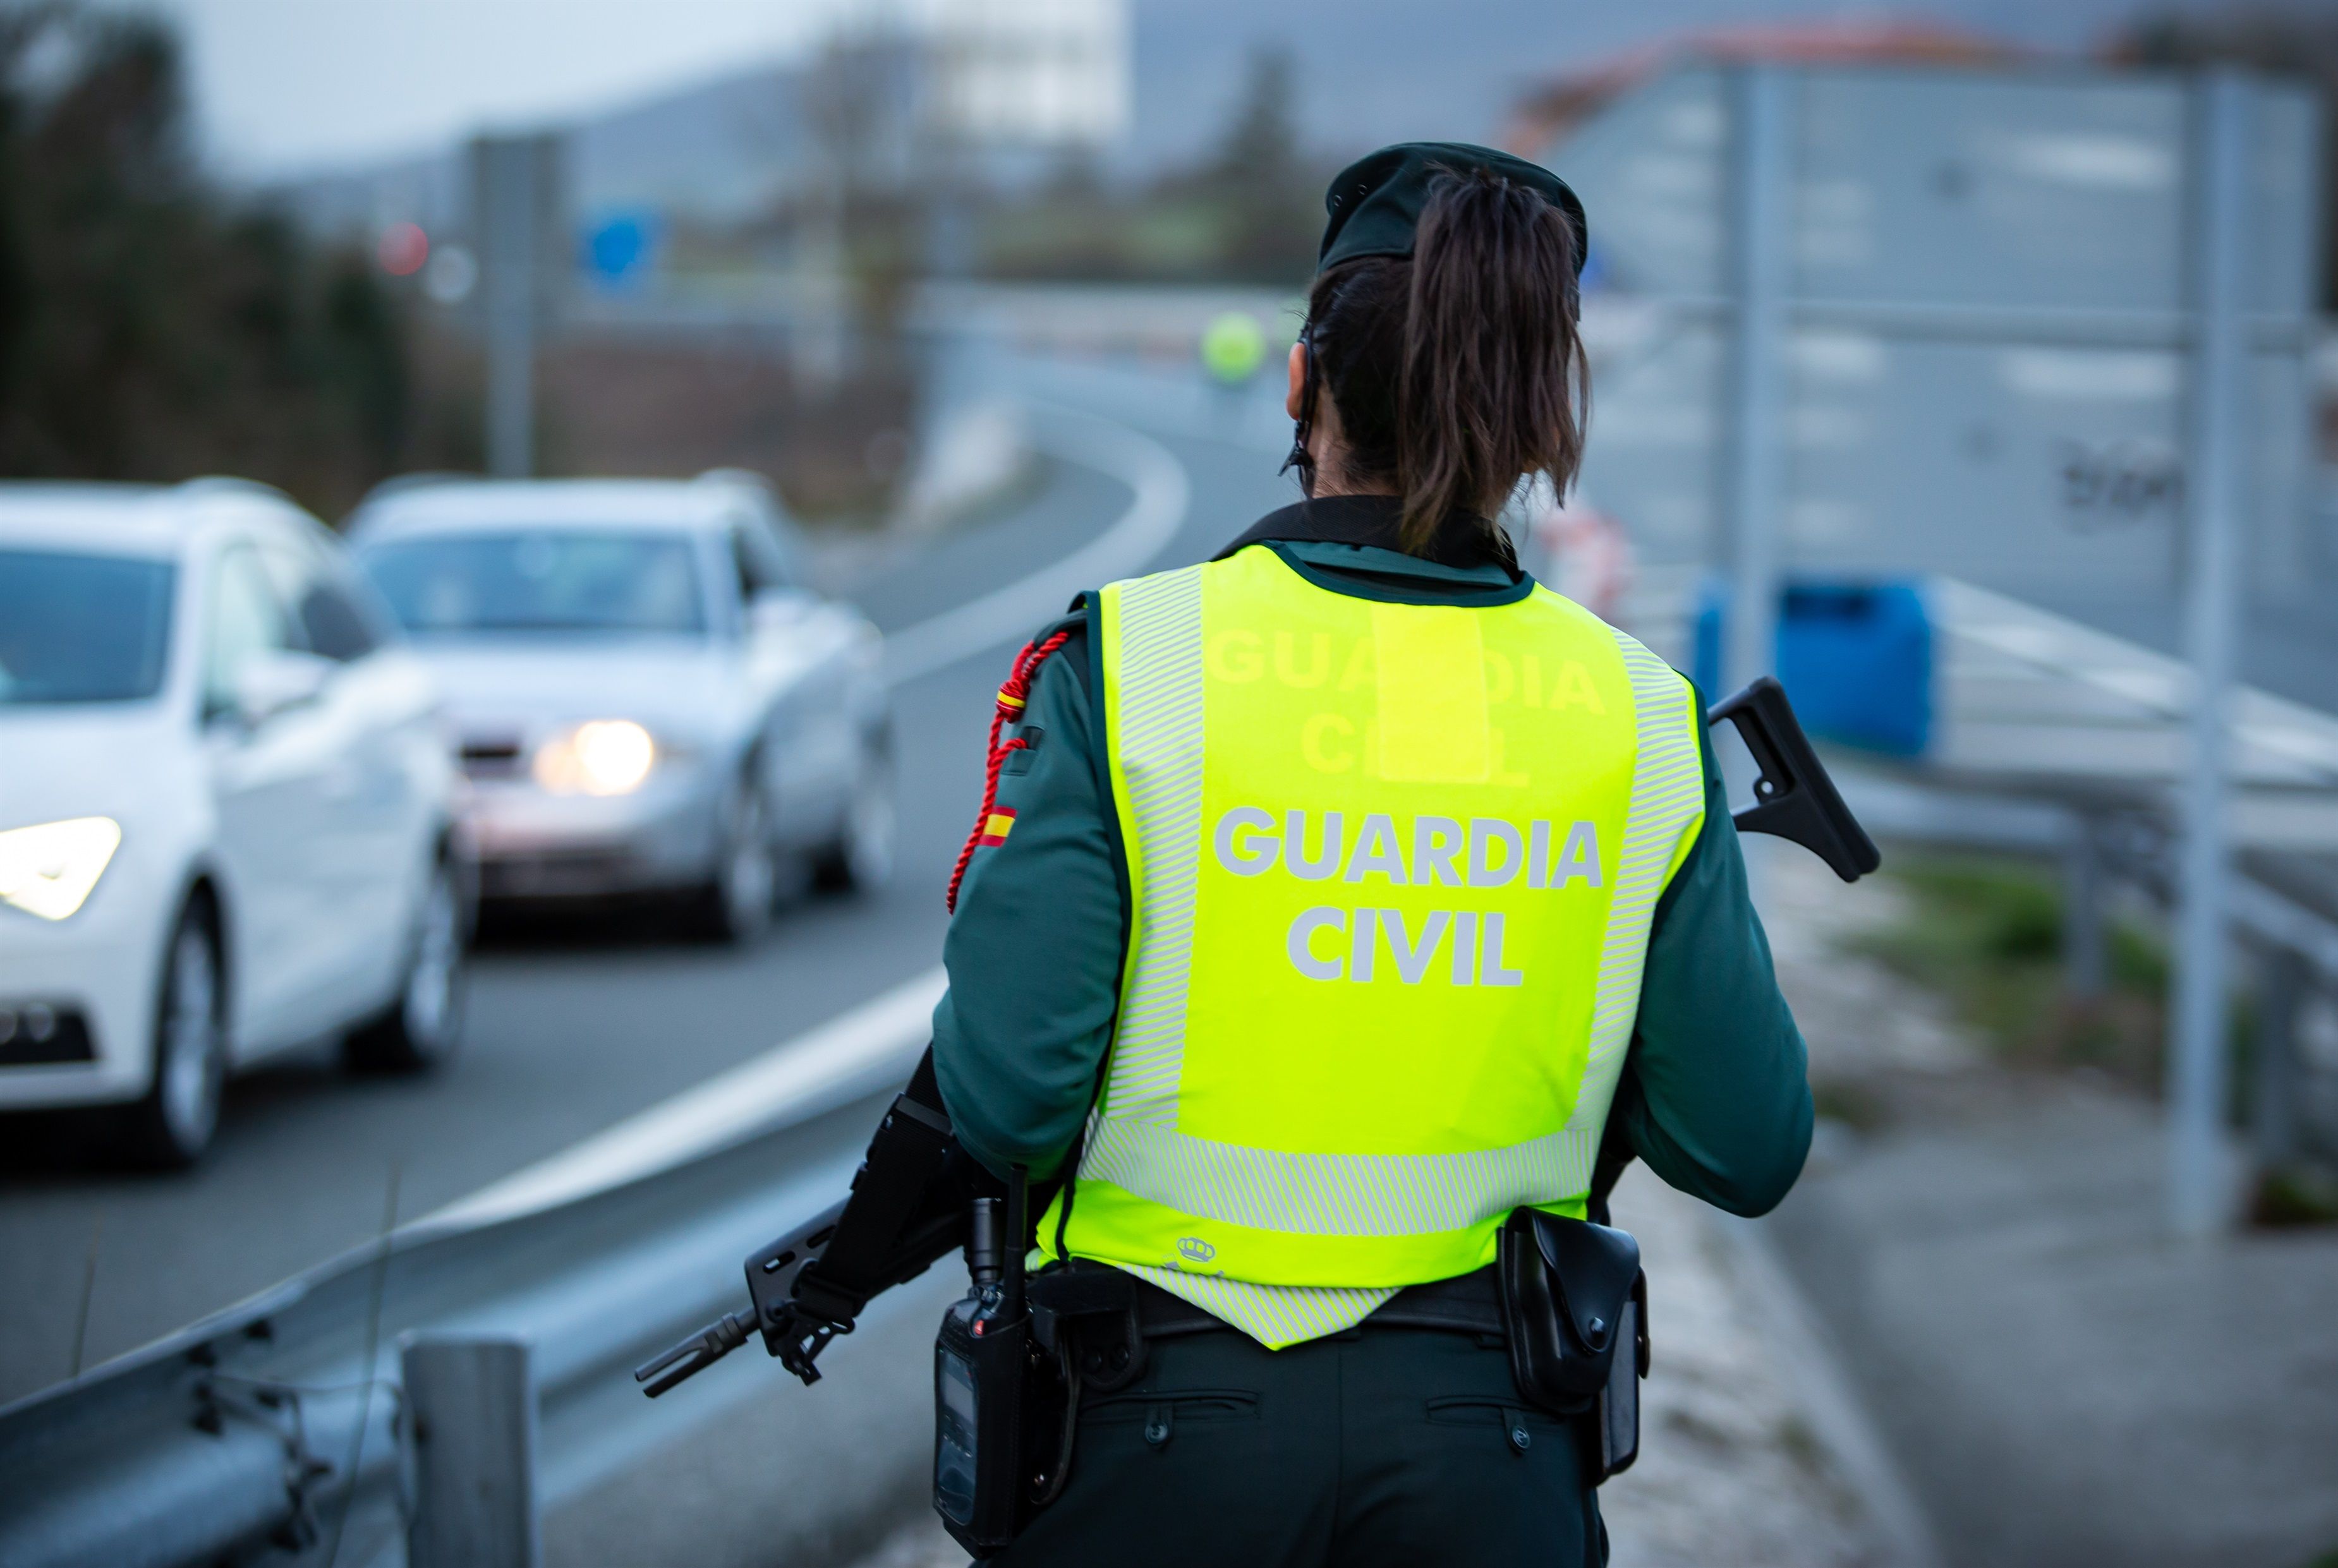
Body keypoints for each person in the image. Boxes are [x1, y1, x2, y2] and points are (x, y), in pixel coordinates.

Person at [931, 142, 1811, 1567]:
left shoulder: (1130, 662)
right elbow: (1747, 1140)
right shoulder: (1635, 715)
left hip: (1152, 1433)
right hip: (1489, 1450)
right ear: (1534, 425)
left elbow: (1008, 1091)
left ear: (1298, 381)